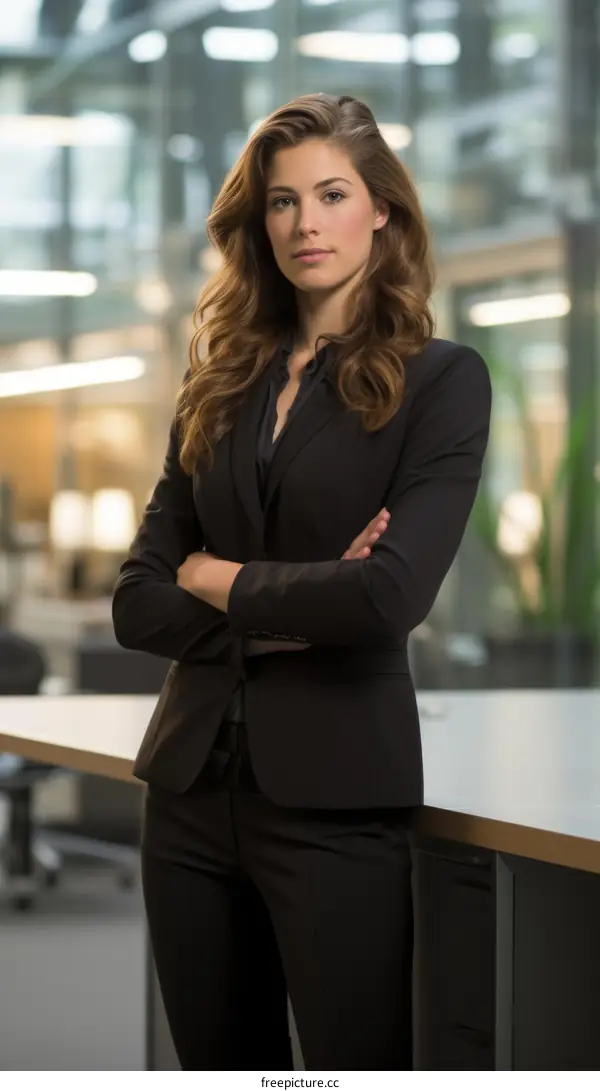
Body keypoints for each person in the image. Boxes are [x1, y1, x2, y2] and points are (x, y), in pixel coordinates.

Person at [112, 93, 492, 1072]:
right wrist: (293, 600)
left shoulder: (440, 382)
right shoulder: (220, 381)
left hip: (335, 802)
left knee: (346, 1066)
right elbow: (136, 600)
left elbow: (385, 599)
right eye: (283, 201)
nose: (306, 222)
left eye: (332, 194)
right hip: (189, 794)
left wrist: (216, 575)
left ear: (382, 212)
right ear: (260, 221)